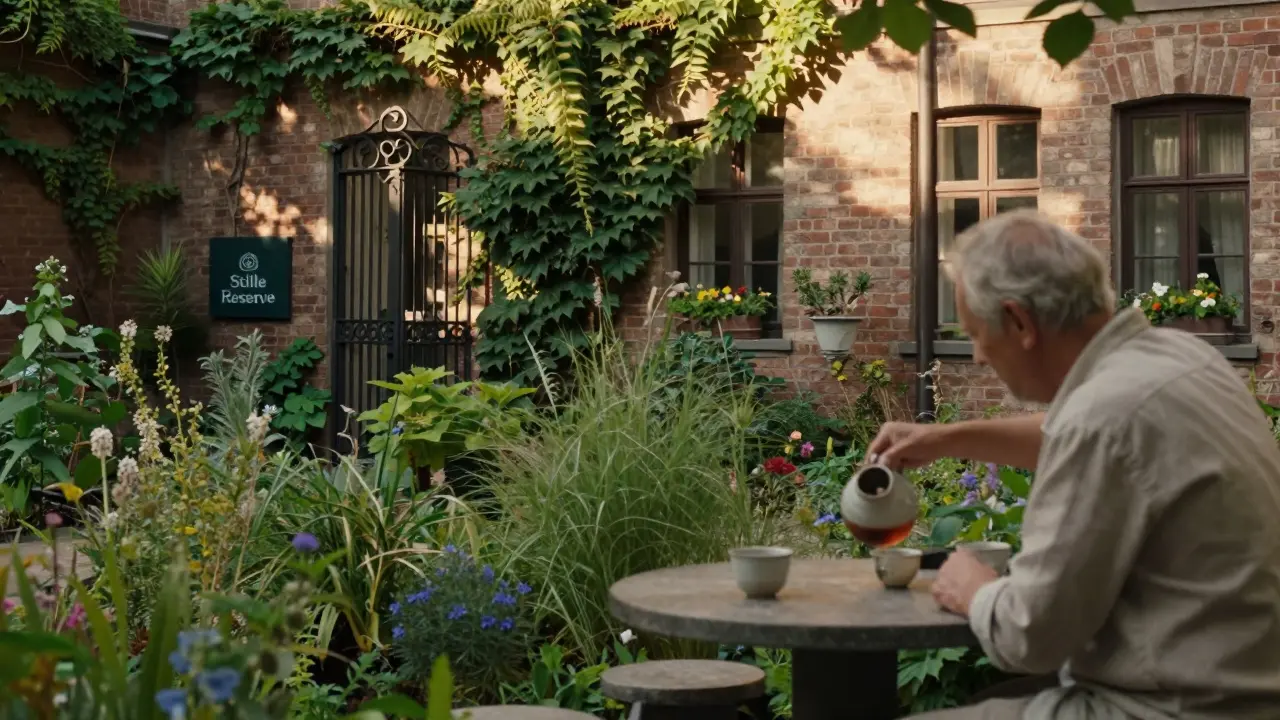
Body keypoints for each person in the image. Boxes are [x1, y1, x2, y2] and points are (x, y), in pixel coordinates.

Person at [868, 210, 1280, 719]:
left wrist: (974, 591)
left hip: (1166, 708)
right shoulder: (1181, 359)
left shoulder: (1102, 416)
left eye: (976, 334)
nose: (976, 357)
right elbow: (1081, 437)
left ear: (1020, 322)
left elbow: (1029, 636)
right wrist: (944, 438)